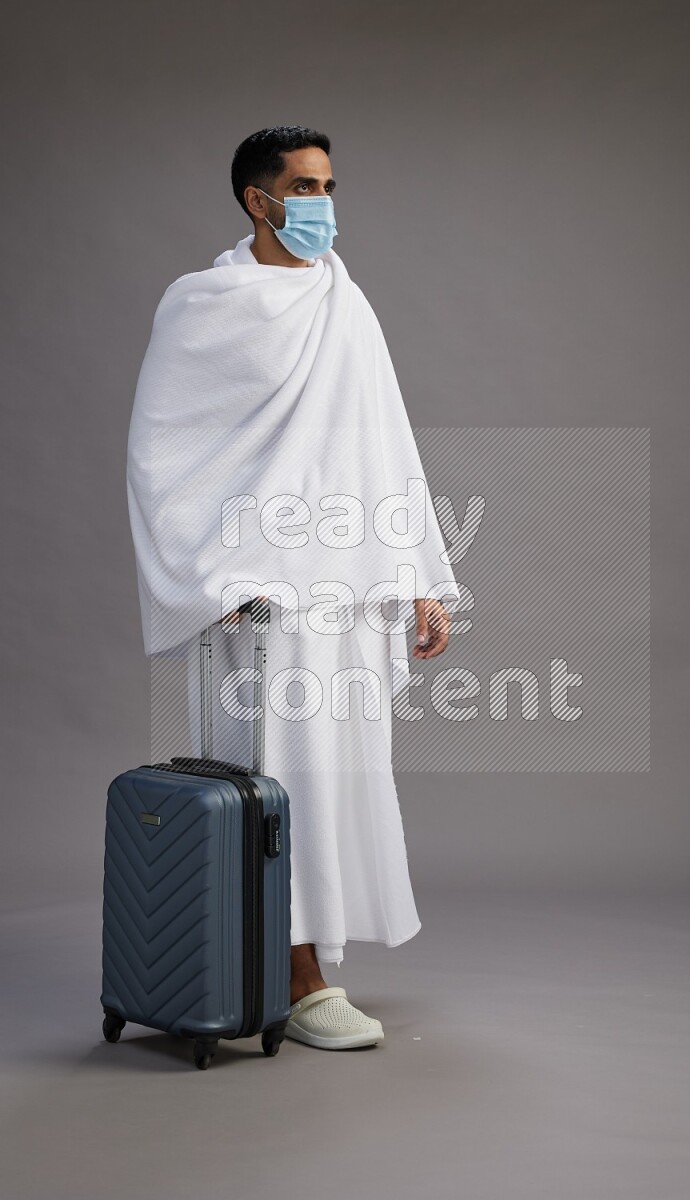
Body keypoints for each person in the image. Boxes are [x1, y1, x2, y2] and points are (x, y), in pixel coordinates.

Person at [126, 125, 459, 1050]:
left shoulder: (345, 301)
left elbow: (386, 444)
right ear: (257, 199)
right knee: (272, 776)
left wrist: (419, 579)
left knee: (336, 778)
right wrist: (209, 576)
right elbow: (162, 451)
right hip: (258, 598)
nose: (321, 204)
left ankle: (296, 963)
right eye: (305, 187)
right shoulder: (205, 305)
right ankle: (301, 979)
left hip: (347, 588)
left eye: (328, 186)